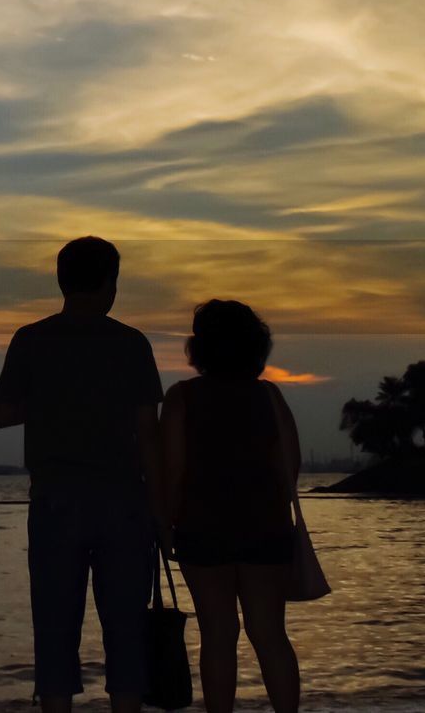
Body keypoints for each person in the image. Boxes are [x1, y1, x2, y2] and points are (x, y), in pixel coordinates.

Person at [0, 236, 166, 713]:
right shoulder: (131, 343)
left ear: (61, 281)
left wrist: (52, 403)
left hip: (55, 501)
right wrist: (163, 515)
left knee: (53, 627)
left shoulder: (31, 338)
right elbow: (149, 435)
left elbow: (2, 413)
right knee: (127, 630)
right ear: (111, 284)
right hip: (124, 503)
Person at [159, 299, 301, 713]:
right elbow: (289, 467)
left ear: (200, 347)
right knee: (270, 634)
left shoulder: (181, 397)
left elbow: (173, 469)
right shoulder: (269, 396)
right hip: (266, 527)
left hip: (201, 528)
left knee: (218, 633)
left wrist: (165, 525)